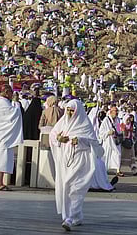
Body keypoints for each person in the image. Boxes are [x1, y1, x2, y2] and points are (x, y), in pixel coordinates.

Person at [49, 99, 102, 231]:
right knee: (66, 187)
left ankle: (70, 218)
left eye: (72, 110)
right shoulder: (63, 123)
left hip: (81, 161)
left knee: (76, 188)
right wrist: (59, 139)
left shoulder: (85, 125)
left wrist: (80, 140)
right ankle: (74, 216)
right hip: (66, 161)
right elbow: (53, 135)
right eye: (68, 110)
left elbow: (95, 144)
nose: (70, 113)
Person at [0, 84, 23, 191]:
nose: (12, 95)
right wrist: (16, 103)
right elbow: (13, 114)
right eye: (11, 93)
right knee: (1, 159)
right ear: (6, 92)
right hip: (2, 136)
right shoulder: (3, 103)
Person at [98, 105, 122, 176]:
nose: (116, 113)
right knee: (107, 155)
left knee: (117, 154)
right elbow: (101, 132)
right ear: (111, 112)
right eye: (115, 111)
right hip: (108, 141)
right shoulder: (106, 120)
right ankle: (104, 169)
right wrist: (108, 132)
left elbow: (119, 129)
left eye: (117, 111)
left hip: (116, 140)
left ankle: (118, 170)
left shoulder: (118, 120)